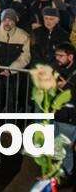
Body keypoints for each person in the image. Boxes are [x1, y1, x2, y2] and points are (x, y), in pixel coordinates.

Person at [53, 43, 76, 184]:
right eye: (56, 55)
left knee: (66, 148)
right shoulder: (57, 69)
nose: (57, 58)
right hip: (58, 114)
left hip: (70, 117)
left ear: (71, 56)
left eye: (61, 56)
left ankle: (67, 175)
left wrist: (66, 87)